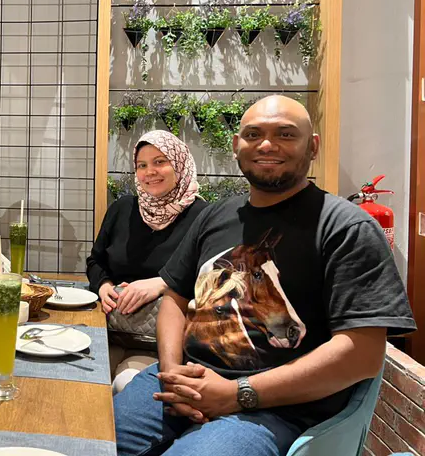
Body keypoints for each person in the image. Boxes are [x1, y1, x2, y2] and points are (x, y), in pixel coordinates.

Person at [114, 95, 416, 456]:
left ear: (313, 146)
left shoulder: (347, 228)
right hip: (184, 380)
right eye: (254, 134)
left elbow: (363, 353)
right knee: (84, 440)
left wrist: (238, 393)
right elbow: (175, 298)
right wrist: (172, 373)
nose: (267, 145)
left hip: (274, 410)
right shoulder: (214, 216)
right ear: (236, 146)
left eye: (285, 134)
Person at [87, 131, 208, 391]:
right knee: (80, 383)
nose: (149, 172)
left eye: (160, 162)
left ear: (180, 164)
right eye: (142, 165)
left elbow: (210, 282)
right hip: (110, 329)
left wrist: (163, 283)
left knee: (125, 385)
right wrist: (104, 285)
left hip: (160, 342)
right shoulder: (122, 209)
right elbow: (95, 261)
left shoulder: (203, 217)